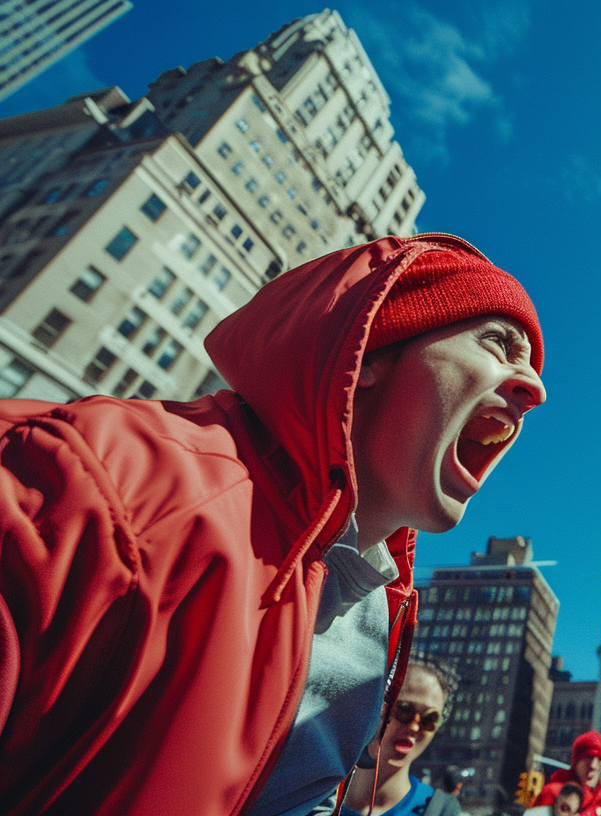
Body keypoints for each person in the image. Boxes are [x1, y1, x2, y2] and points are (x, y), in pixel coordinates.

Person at [0, 234, 547, 815]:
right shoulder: (104, 479)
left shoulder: (381, 607)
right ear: (372, 355)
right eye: (498, 344)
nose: (534, 388)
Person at [340, 656, 460, 816]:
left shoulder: (441, 810)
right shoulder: (317, 793)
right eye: (404, 710)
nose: (414, 727)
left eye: (429, 719)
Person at [533, 731, 601, 816]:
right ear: (576, 762)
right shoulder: (552, 793)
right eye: (588, 757)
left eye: (599, 759)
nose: (593, 766)